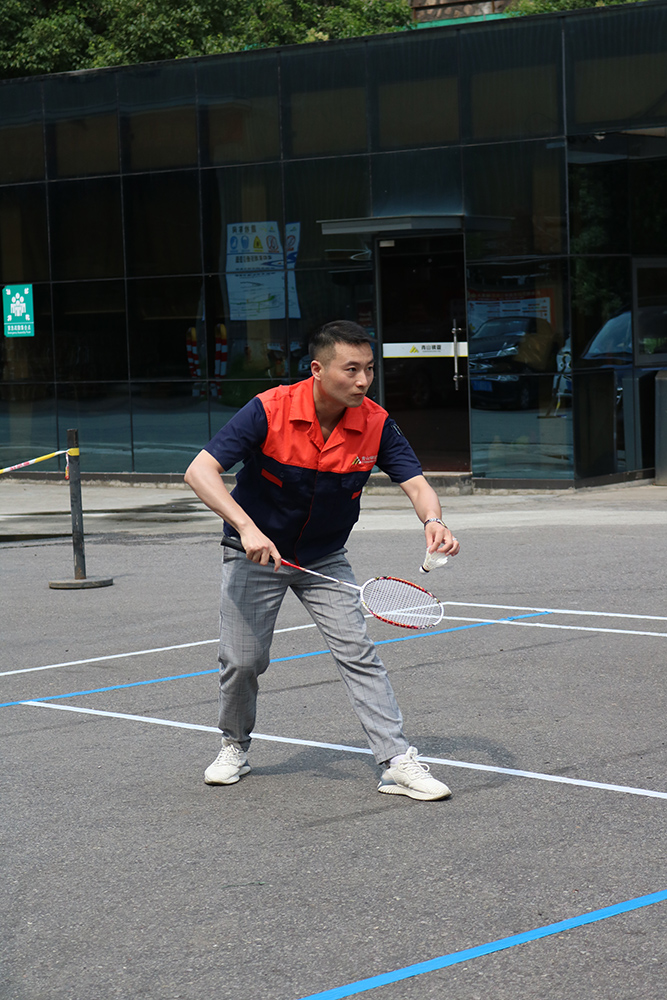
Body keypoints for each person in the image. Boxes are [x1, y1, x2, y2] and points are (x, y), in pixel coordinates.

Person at [184, 320, 460, 801]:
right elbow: (200, 471)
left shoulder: (375, 422)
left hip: (323, 559)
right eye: (351, 369)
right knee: (243, 662)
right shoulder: (269, 409)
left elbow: (415, 483)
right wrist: (246, 527)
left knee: (357, 651)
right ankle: (234, 745)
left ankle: (396, 761)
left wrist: (433, 520)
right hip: (255, 555)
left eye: (369, 369)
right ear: (317, 369)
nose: (363, 380)